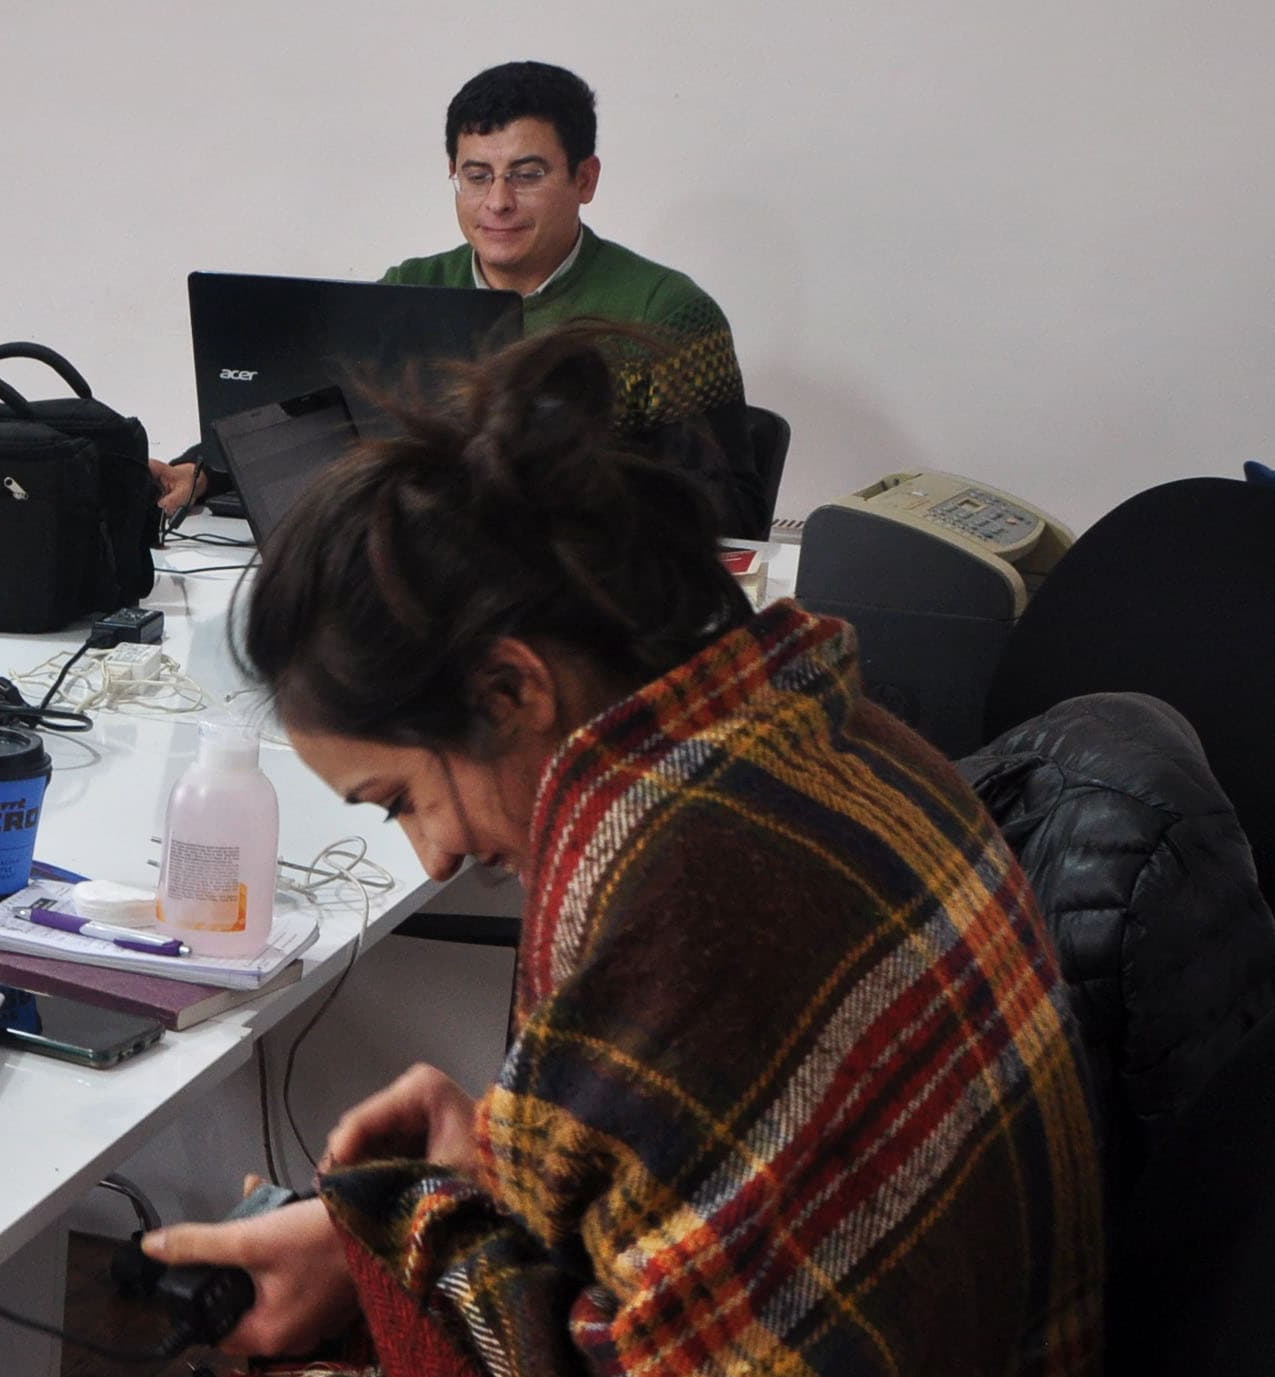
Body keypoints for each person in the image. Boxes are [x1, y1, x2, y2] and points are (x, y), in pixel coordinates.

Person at [139, 327, 1106, 1375]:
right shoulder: (822, 738)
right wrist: (506, 1173)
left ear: (513, 689)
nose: (434, 857)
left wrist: (408, 1228)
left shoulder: (667, 895)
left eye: (404, 800)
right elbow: (677, 1208)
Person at [152, 63, 758, 531]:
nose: (497, 202)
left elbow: (727, 508)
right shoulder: (410, 289)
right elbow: (315, 424)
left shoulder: (665, 313)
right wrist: (206, 470)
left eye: (527, 175)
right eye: (476, 176)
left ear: (585, 179)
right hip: (421, 578)